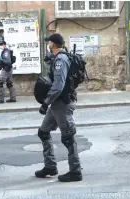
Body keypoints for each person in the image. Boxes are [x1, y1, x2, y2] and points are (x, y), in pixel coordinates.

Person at [35, 33, 82, 182]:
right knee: (43, 132)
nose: (48, 44)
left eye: (49, 42)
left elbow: (58, 86)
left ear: (53, 44)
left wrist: (46, 102)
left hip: (62, 103)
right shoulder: (57, 58)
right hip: (56, 104)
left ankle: (75, 172)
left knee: (68, 138)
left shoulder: (61, 59)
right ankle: (50, 166)